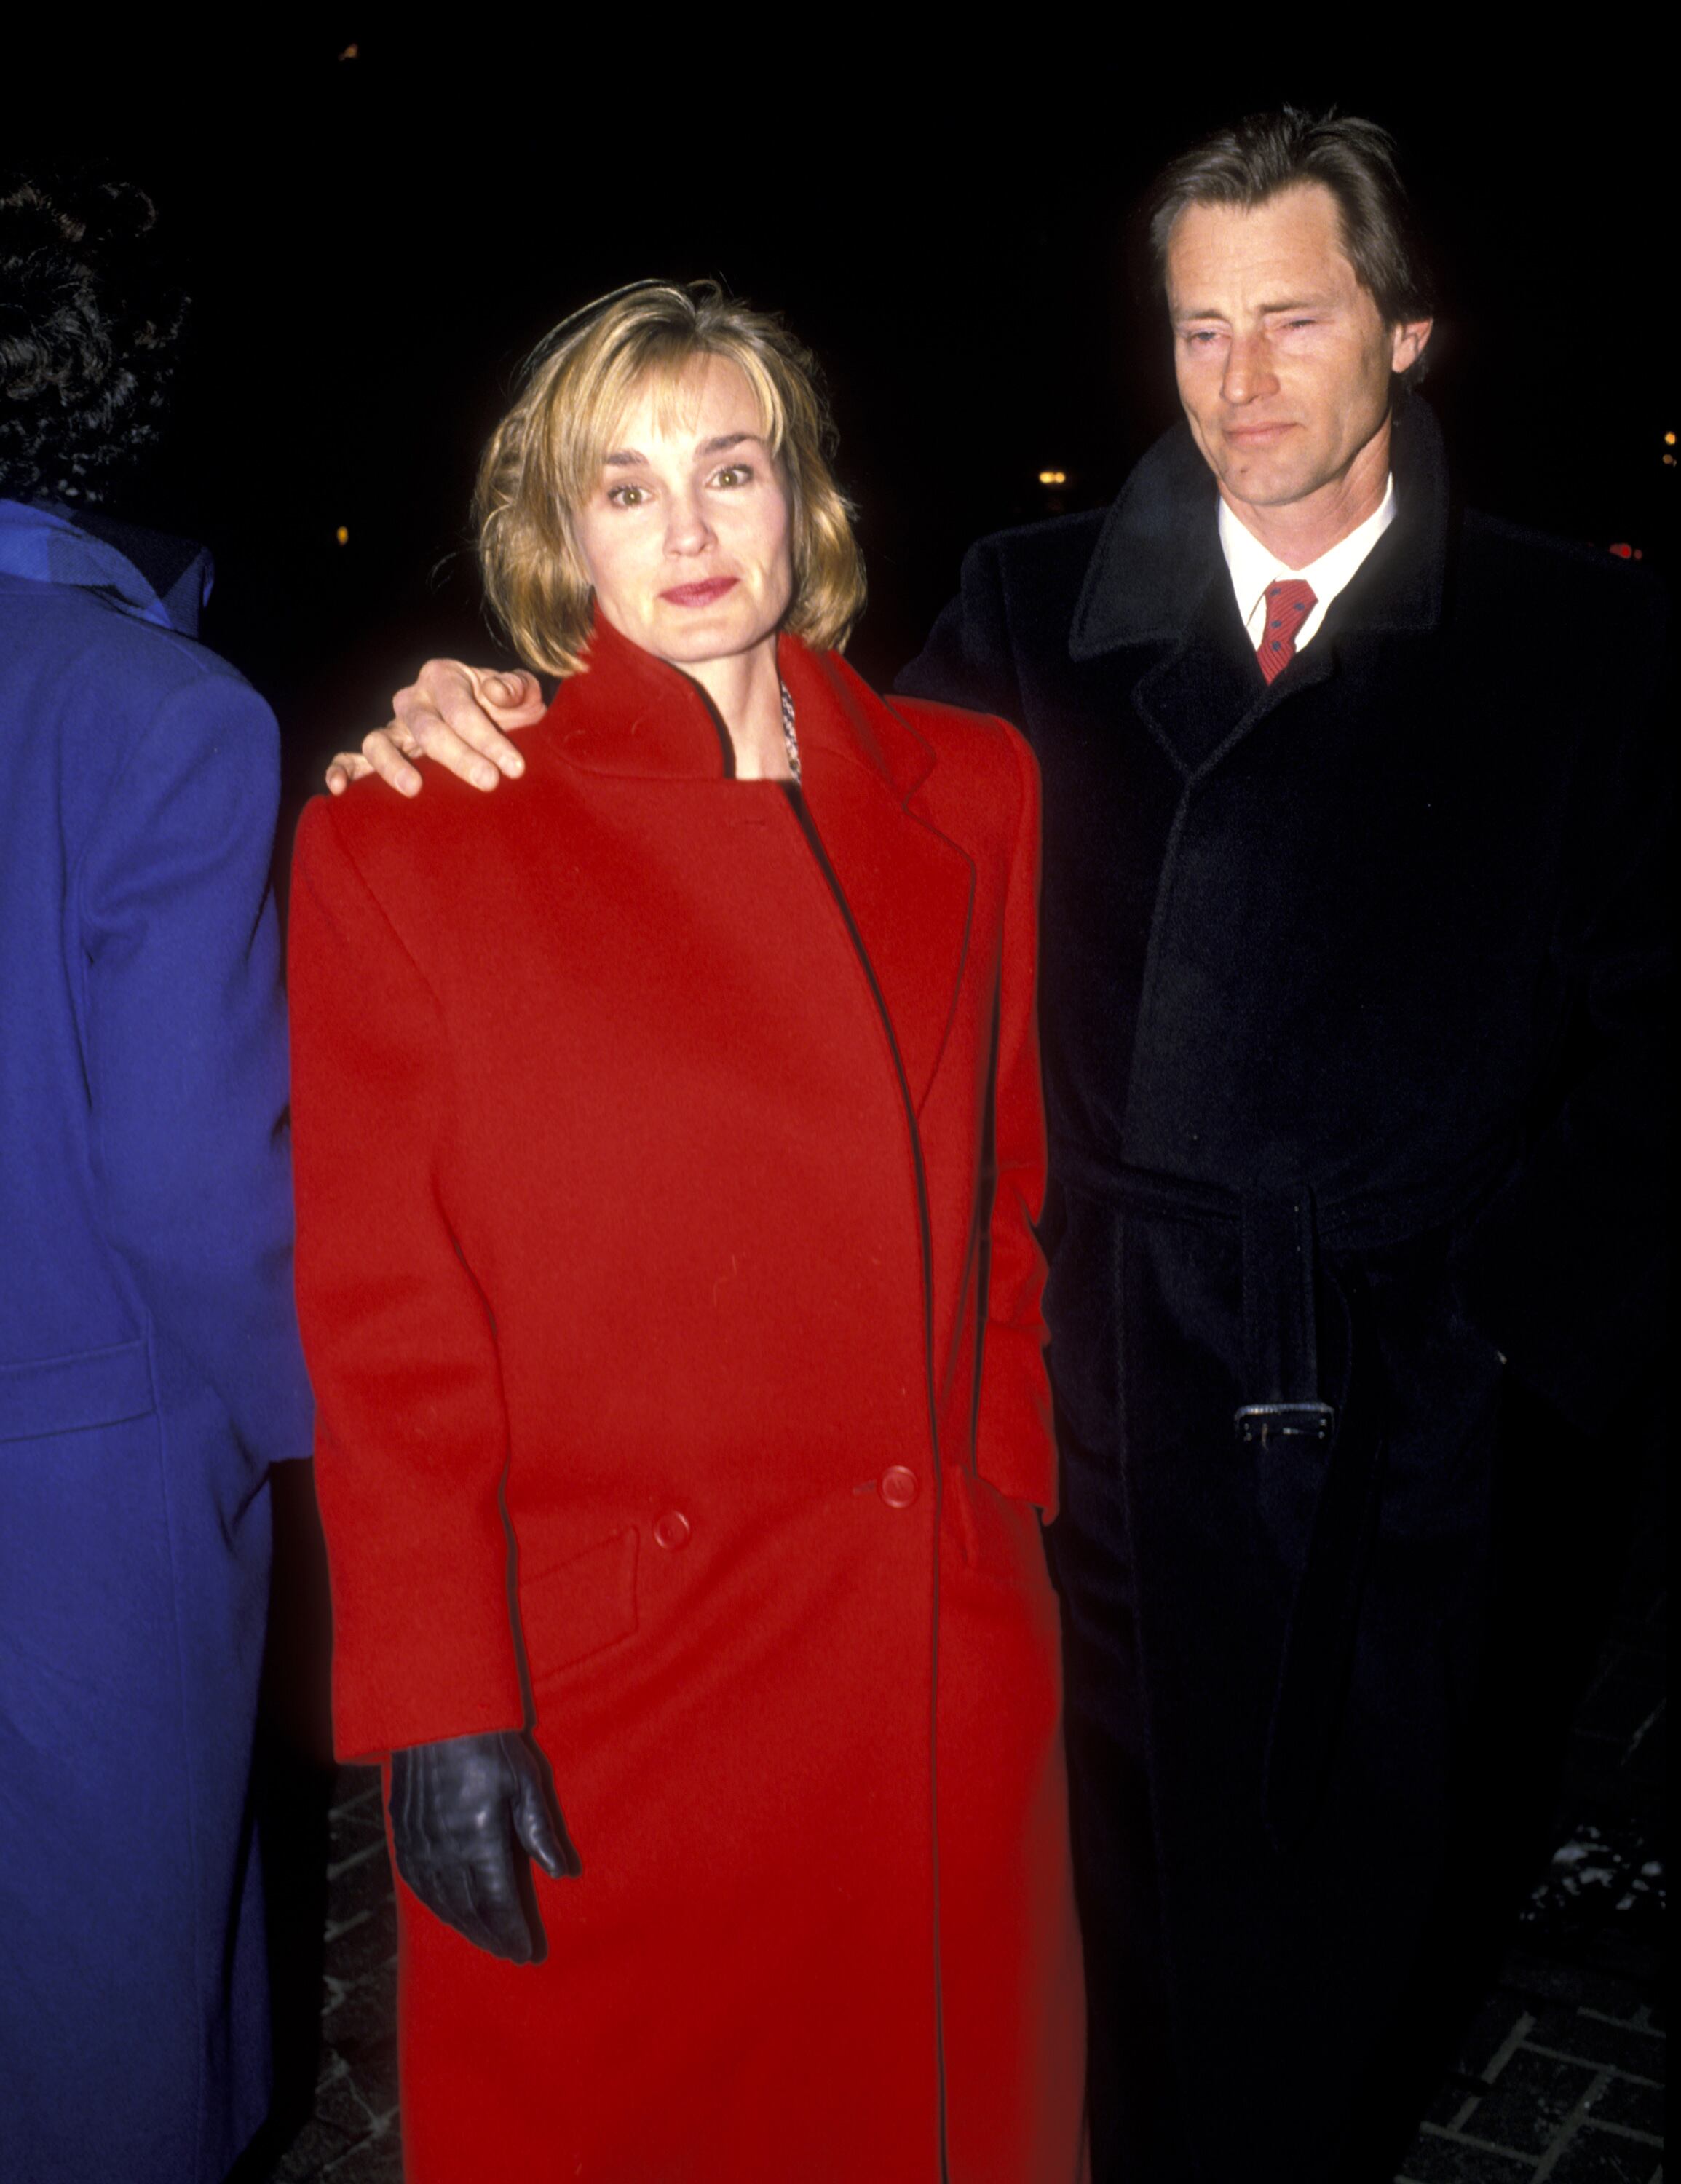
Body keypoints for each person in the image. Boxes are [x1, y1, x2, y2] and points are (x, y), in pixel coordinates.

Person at [349, 114, 1669, 2182]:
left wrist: (1512, 1351)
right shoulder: (1036, 614)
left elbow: (1672, 1043)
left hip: (1407, 1424)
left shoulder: (1580, 640)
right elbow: (780, 853)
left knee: (1351, 1960)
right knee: (1087, 1989)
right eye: (1199, 327)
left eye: (1296, 320)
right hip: (1105, 1429)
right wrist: (473, 709)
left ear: (1408, 332)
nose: (1242, 383)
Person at [287, 282, 1086, 2183]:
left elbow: (1014, 1192)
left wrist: (1005, 1516)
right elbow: (388, 1322)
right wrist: (439, 1703)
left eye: (730, 471)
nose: (692, 535)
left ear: (802, 501)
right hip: (619, 1693)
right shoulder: (413, 838)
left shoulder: (972, 789)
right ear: (554, 536)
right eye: (626, 491)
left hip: (931, 1655)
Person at [0, 175, 313, 2183]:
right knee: (106, 2063)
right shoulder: (168, 723)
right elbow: (208, 1199)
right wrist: (334, 1437)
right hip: (82, 1518)